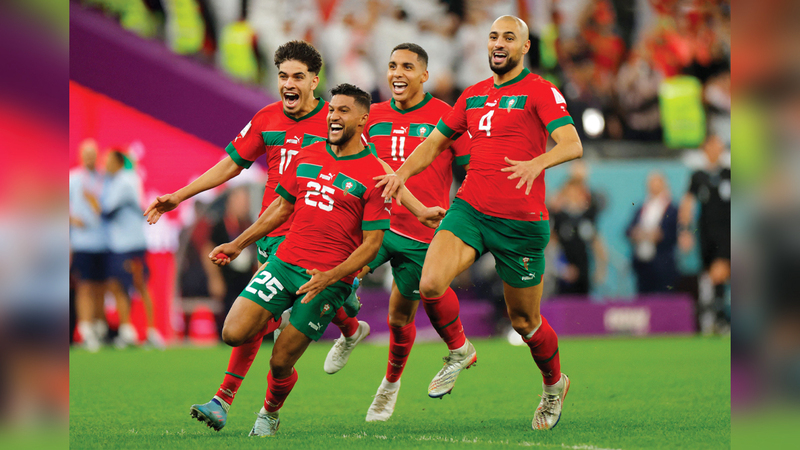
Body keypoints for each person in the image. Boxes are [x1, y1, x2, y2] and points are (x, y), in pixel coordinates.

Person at [142, 41, 366, 430]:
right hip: (272, 233)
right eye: (283, 76)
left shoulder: (334, 121)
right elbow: (230, 165)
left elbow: (367, 176)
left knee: (272, 332)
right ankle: (347, 322)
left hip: (317, 239)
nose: (289, 84)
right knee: (255, 322)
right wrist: (179, 195)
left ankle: (232, 400)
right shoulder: (266, 118)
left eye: (298, 76)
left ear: (315, 81)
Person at [376, 15, 583, 430]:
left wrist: (537, 163)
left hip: (520, 222)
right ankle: (459, 350)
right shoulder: (472, 95)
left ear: (524, 47)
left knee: (525, 322)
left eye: (508, 37)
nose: (499, 43)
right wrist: (401, 175)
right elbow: (433, 144)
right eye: (493, 37)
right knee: (430, 284)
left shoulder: (540, 90)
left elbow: (572, 144)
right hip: (470, 209)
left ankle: (553, 384)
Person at [208, 84, 445, 436]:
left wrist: (330, 277)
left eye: (343, 111)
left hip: (328, 281)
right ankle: (347, 327)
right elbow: (281, 208)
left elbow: (371, 246)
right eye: (332, 109)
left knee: (280, 360)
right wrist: (238, 244)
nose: (333, 116)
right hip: (284, 263)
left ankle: (269, 413)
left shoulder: (375, 175)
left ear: (363, 120)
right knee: (233, 333)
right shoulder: (309, 154)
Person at [320, 43, 470, 422]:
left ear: (424, 75)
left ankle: (389, 386)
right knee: (331, 279)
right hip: (376, 226)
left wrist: (462, 219)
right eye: (391, 66)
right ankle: (350, 330)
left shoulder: (447, 116)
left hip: (422, 235)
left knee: (399, 319)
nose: (397, 73)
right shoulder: (371, 116)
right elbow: (363, 166)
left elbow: (472, 170)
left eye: (407, 66)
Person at [93, 150, 165, 349]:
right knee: (118, 285)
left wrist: (90, 200)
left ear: (117, 163)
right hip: (119, 243)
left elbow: (106, 208)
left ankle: (152, 331)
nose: (104, 165)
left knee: (139, 284)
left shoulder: (125, 181)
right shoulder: (117, 179)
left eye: (107, 161)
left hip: (131, 244)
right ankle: (127, 330)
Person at [678, 135, 731, 333]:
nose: (717, 149)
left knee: (719, 271)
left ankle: (719, 317)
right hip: (706, 233)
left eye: (720, 146)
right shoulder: (698, 176)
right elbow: (688, 203)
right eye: (713, 145)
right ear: (705, 149)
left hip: (727, 233)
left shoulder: (729, 174)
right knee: (710, 275)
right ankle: (714, 318)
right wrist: (685, 231)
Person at [69, 139, 108, 352]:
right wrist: (70, 219)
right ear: (81, 156)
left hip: (104, 241)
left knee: (101, 286)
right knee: (84, 286)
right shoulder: (73, 178)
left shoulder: (104, 178)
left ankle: (99, 327)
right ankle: (84, 329)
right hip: (82, 242)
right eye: (86, 155)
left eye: (93, 155)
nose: (90, 159)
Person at [550, 177, 608, 296]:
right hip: (565, 272)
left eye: (578, 192)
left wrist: (601, 268)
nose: (574, 195)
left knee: (583, 303)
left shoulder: (588, 216)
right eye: (571, 192)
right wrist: (561, 268)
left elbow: (597, 244)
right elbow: (552, 245)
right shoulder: (559, 216)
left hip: (583, 271)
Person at [626, 171, 679, 293]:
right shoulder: (642, 207)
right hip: (642, 264)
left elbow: (675, 233)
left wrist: (659, 235)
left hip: (663, 264)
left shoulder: (672, 209)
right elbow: (628, 230)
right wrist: (636, 233)